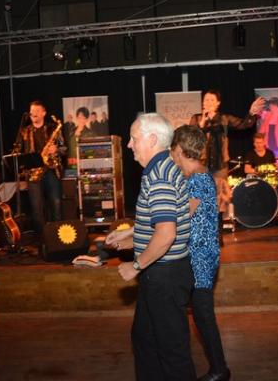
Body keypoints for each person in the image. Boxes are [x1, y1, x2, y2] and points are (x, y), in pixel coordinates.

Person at [107, 112, 195, 380]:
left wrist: (135, 266)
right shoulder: (164, 167)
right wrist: (131, 235)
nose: (129, 144)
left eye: (134, 138)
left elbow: (166, 234)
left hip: (164, 276)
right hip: (161, 273)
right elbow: (163, 220)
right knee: (145, 339)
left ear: (152, 139)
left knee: (172, 352)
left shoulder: (159, 176)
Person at [171, 125, 230, 381]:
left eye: (172, 148)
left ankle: (220, 370)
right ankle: (219, 368)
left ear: (179, 149)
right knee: (200, 315)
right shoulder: (198, 175)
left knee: (203, 316)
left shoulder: (197, 179)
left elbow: (182, 215)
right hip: (199, 257)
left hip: (200, 259)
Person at [13, 100, 65, 234]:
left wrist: (57, 150)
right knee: (36, 209)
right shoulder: (25, 131)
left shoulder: (53, 128)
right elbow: (17, 151)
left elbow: (64, 148)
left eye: (37, 111)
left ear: (43, 113)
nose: (33, 113)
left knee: (56, 204)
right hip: (33, 173)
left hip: (51, 170)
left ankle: (57, 237)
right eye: (32, 111)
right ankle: (42, 238)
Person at [189, 89, 265, 174]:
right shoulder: (196, 118)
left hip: (220, 166)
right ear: (203, 102)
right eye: (206, 100)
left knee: (221, 182)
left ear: (218, 103)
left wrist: (251, 113)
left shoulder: (224, 119)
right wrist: (202, 123)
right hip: (201, 165)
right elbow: (190, 139)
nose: (209, 102)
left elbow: (244, 125)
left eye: (212, 100)